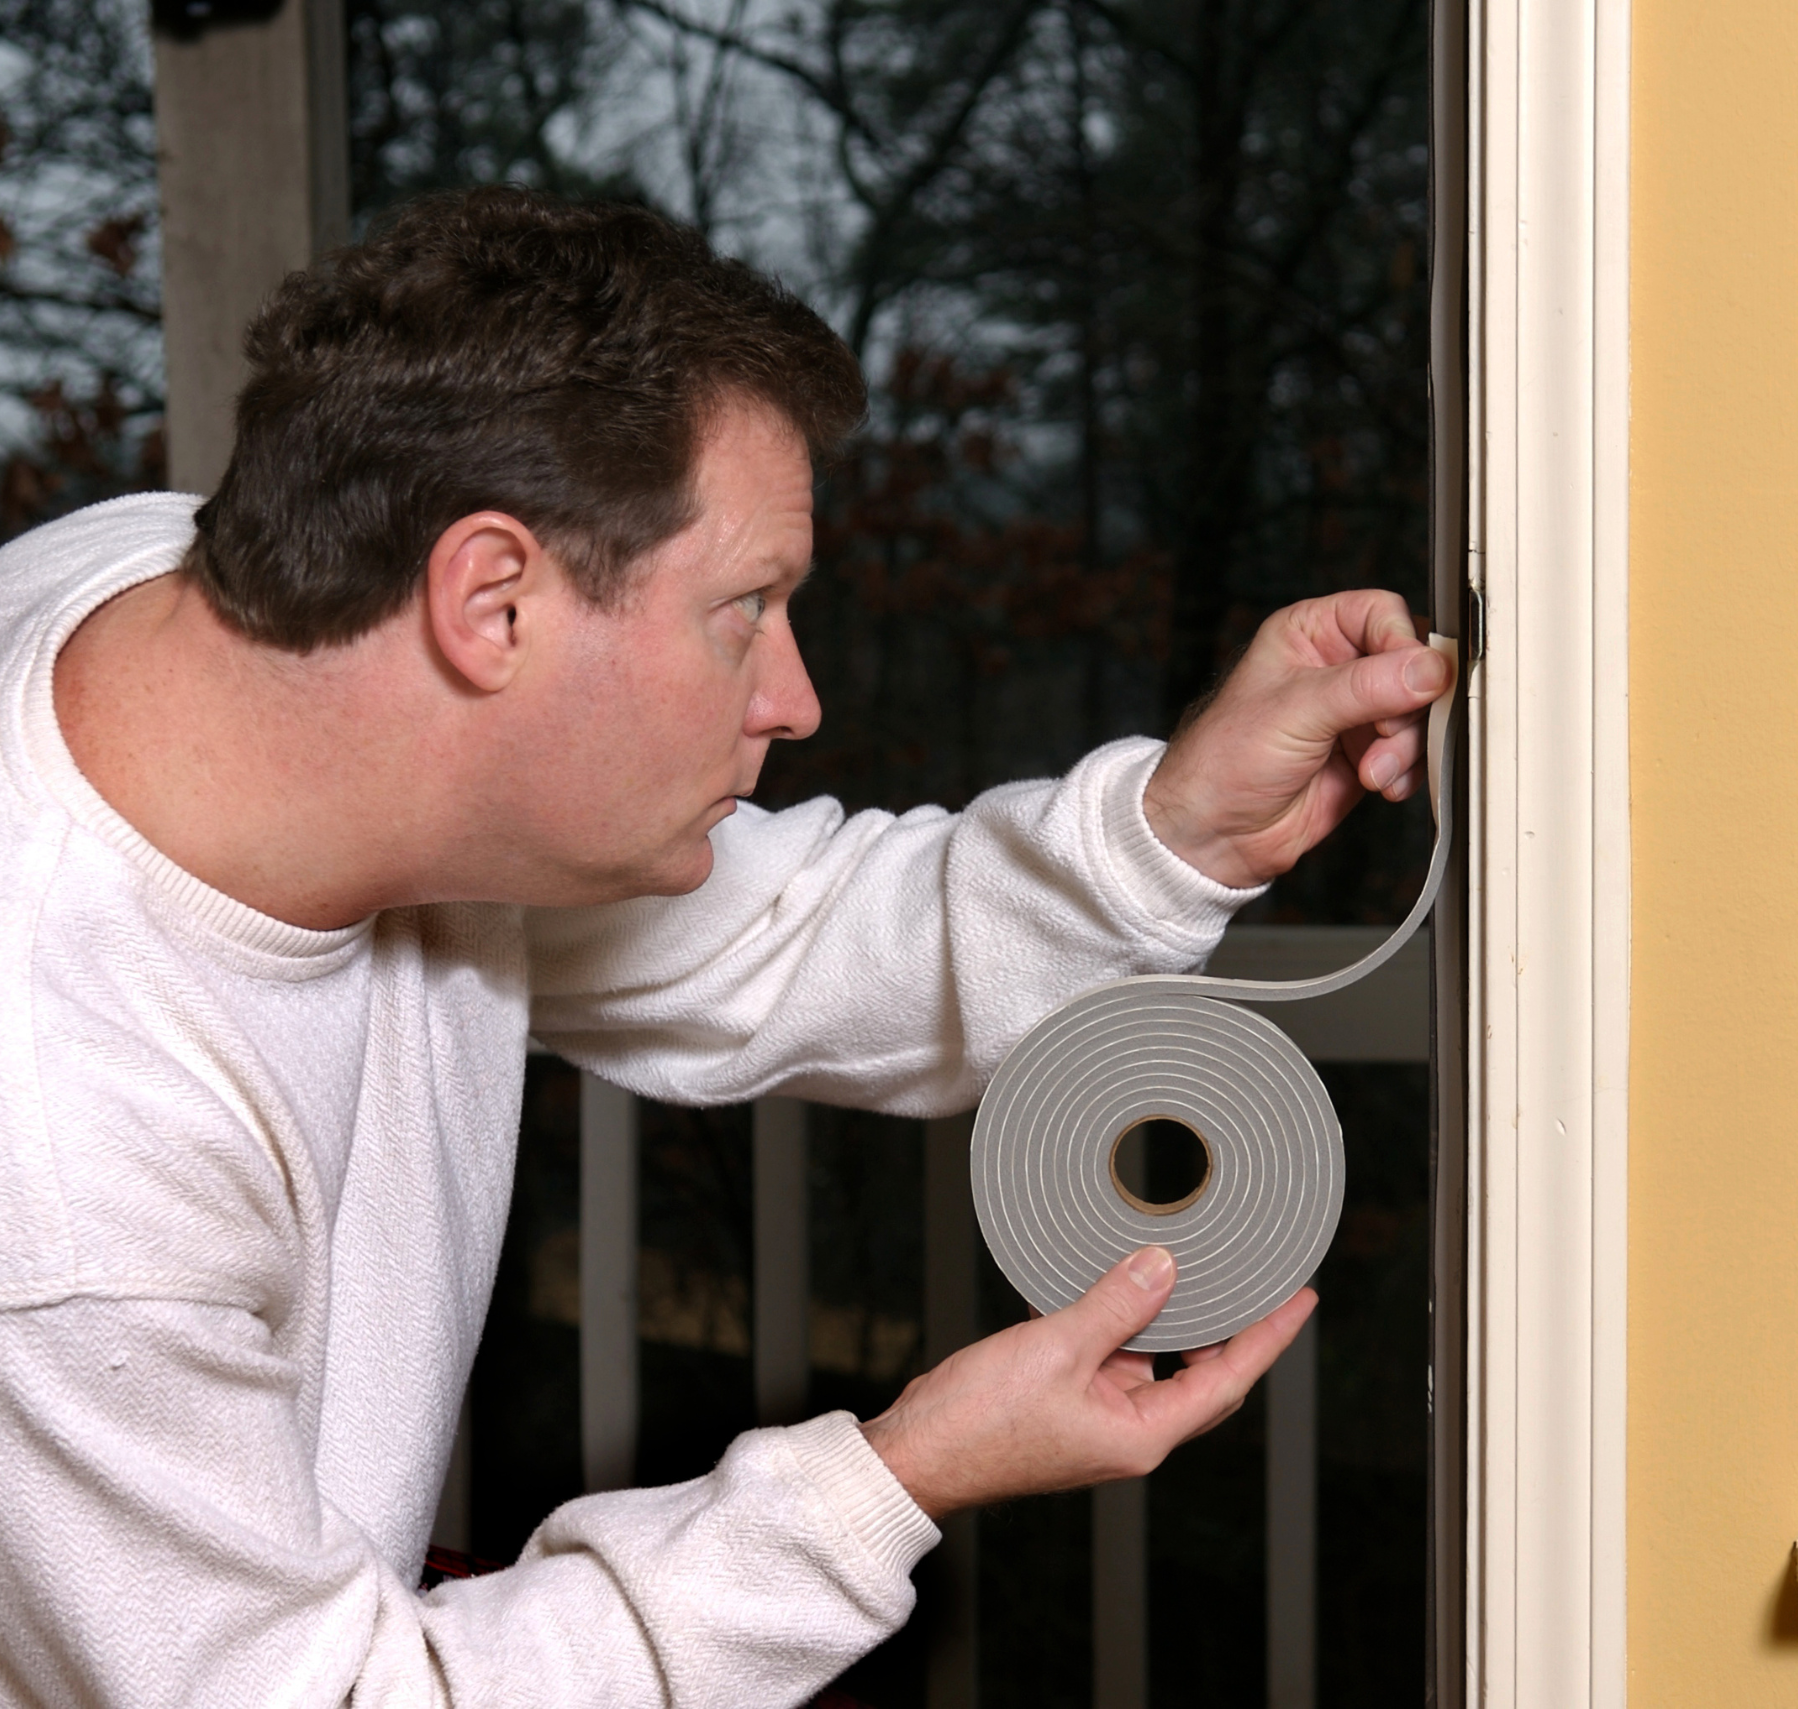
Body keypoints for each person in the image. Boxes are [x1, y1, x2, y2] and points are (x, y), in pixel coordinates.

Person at [0, 187, 1450, 1707]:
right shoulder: (68, 1153)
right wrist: (895, 1482)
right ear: (489, 602)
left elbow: (760, 940)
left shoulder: (201, 596)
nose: (797, 696)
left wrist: (1175, 831)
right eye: (744, 609)